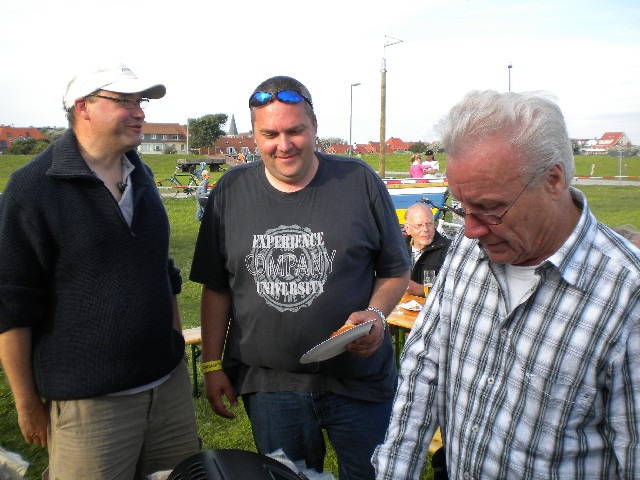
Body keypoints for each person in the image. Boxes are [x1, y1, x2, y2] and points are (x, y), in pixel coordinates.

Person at [373, 90, 640, 479]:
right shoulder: (469, 249)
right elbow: (424, 365)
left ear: (553, 180)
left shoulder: (627, 298)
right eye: (461, 207)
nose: (470, 230)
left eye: (490, 208)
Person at [190, 75, 410, 480]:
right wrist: (211, 364)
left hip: (359, 381)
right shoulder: (230, 191)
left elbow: (396, 269)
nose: (284, 144)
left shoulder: (358, 181)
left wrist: (377, 314)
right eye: (269, 134)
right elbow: (215, 287)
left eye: (295, 131)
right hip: (270, 385)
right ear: (254, 136)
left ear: (314, 127)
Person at [0, 62, 200, 479]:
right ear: (83, 107)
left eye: (140, 102)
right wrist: (26, 401)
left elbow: (162, 273)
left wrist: (174, 349)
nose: (139, 112)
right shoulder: (33, 189)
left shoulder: (140, 174)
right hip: (91, 406)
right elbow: (12, 305)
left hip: (168, 393)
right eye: (125, 101)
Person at [403, 203, 451, 296]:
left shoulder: (450, 250)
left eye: (429, 224)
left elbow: (455, 290)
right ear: (407, 229)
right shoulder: (398, 249)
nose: (425, 229)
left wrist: (421, 290)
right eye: (419, 225)